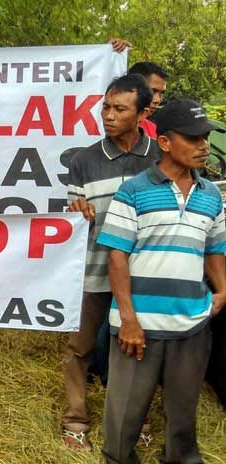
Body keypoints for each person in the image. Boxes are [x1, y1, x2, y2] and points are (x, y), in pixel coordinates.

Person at [97, 99, 226, 463]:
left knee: (183, 418)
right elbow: (117, 255)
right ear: (166, 143)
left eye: (205, 138)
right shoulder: (134, 191)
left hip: (191, 323)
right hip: (138, 327)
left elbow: (215, 249)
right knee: (124, 418)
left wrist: (223, 291)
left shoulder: (211, 195)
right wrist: (129, 319)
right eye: (194, 138)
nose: (203, 146)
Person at [61, 73, 160, 451]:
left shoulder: (161, 157)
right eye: (105, 106)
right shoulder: (83, 160)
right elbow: (72, 210)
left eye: (119, 108)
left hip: (146, 275)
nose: (108, 115)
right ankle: (74, 422)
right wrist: (76, 208)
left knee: (139, 349)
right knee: (79, 348)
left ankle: (138, 421)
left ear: (142, 113)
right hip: (94, 271)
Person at [127, 62, 169, 139]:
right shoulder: (106, 123)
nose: (157, 100)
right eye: (152, 91)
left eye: (161, 93)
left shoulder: (154, 131)